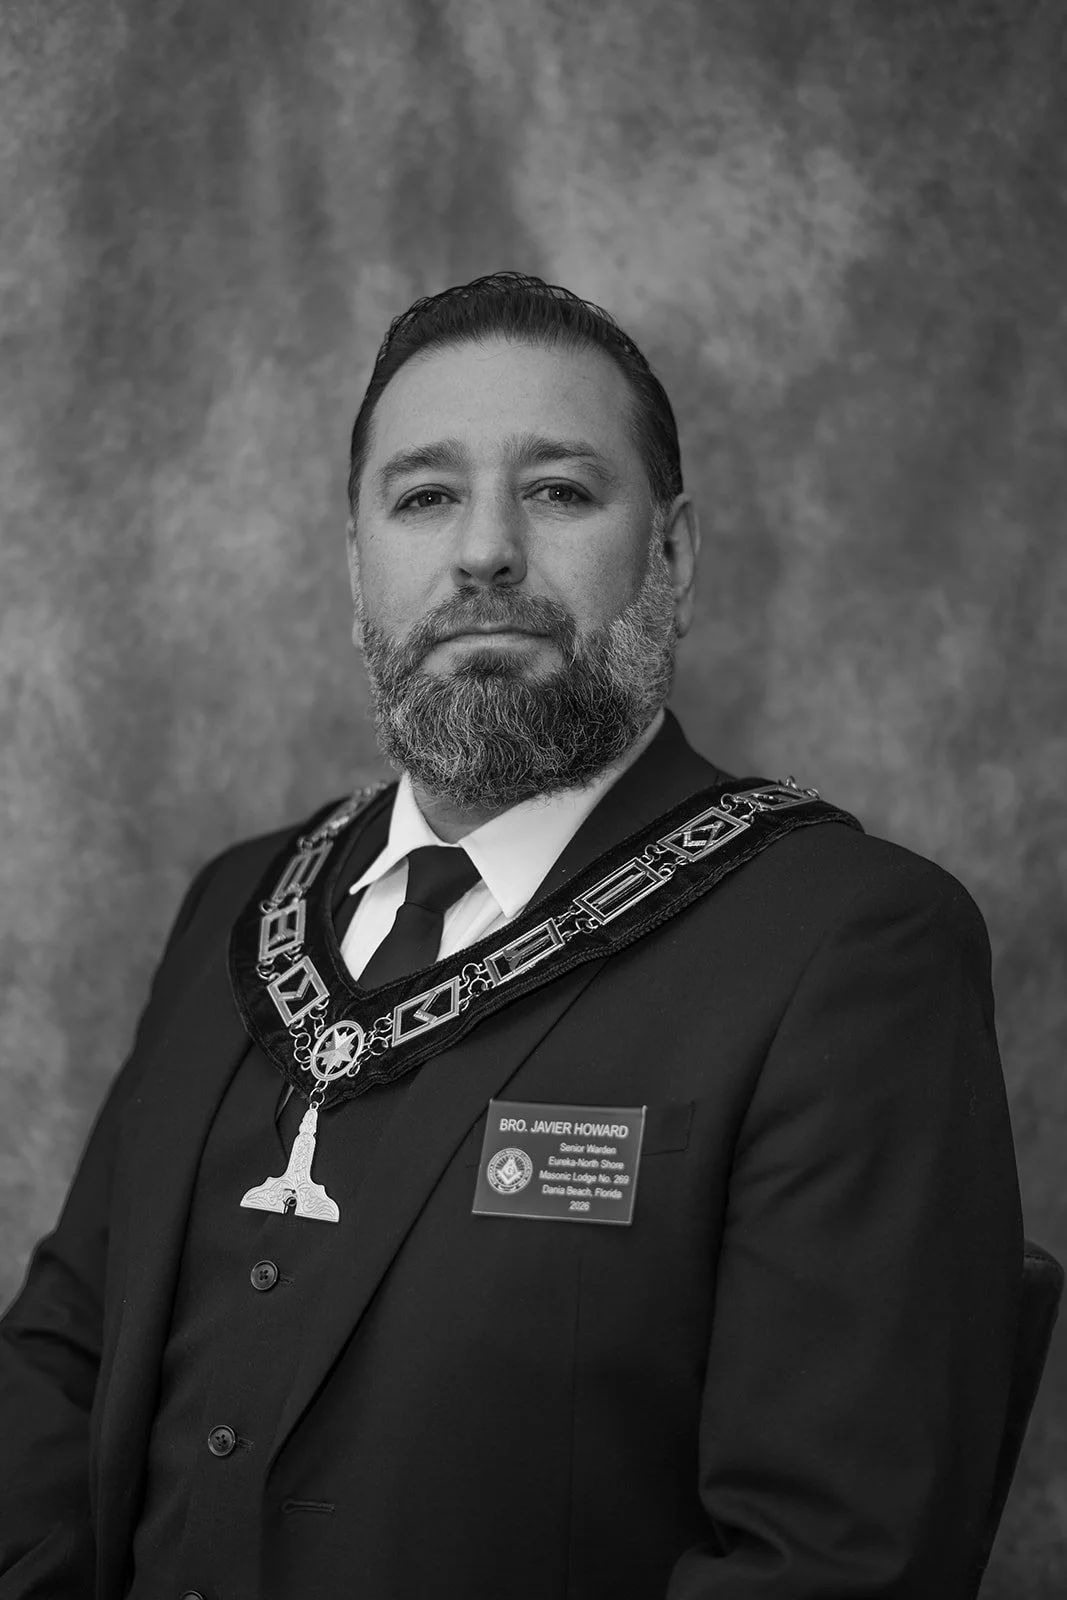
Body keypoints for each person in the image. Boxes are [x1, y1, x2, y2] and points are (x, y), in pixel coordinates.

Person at [0, 271, 1022, 1600]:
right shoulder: (237, 905)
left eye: (557, 490)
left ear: (672, 557)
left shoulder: (846, 947)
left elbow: (831, 1562)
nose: (483, 550)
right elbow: (64, 1357)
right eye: (425, 496)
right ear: (357, 563)